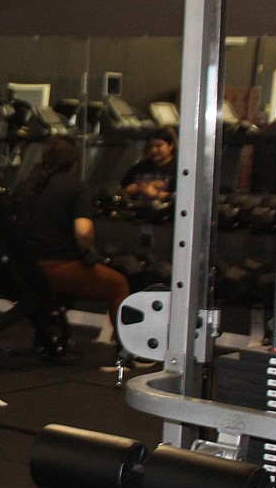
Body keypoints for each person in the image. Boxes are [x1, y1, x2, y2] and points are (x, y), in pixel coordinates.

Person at [15, 136, 131, 345]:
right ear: (75, 162)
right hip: (59, 267)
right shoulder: (77, 187)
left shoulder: (26, 184)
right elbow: (83, 232)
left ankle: (47, 337)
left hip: (26, 268)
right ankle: (128, 351)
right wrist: (89, 252)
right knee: (119, 285)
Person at [120, 126, 177, 201]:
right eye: (150, 146)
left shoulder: (178, 169)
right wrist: (127, 191)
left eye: (158, 146)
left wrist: (157, 194)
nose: (153, 150)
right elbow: (120, 191)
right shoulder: (139, 167)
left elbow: (181, 197)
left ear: (171, 146)